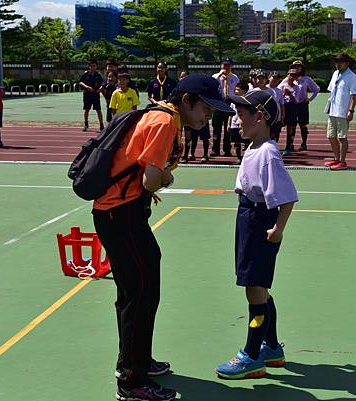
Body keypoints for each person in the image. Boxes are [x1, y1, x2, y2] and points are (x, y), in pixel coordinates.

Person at [92, 73, 233, 401]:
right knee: (139, 293)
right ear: (187, 101)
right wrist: (164, 178)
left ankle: (135, 360)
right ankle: (131, 380)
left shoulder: (161, 115)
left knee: (139, 290)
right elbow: (151, 179)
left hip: (121, 212)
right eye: (205, 110)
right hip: (120, 214)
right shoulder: (164, 122)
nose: (208, 117)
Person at [214, 89, 298, 380]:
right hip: (248, 216)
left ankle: (251, 355)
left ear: (259, 117)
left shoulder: (268, 153)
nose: (237, 121)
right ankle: (272, 347)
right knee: (258, 285)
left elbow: (287, 197)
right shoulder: (253, 147)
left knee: (254, 288)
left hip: (261, 220)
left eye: (242, 115)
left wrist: (278, 229)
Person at [325, 53, 356, 171]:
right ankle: (336, 158)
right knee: (331, 136)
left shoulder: (352, 76)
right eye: (336, 62)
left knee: (342, 137)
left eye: (340, 62)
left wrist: (351, 110)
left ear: (347, 63)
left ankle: (343, 161)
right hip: (333, 111)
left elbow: (354, 95)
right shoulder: (335, 73)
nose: (337, 64)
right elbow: (331, 90)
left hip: (342, 112)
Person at [282, 60, 320, 152]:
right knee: (291, 125)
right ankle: (290, 144)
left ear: (302, 68)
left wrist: (309, 99)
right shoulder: (288, 78)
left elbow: (316, 89)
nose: (297, 68)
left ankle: (304, 143)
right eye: (295, 66)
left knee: (303, 124)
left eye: (299, 66)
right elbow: (280, 89)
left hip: (302, 104)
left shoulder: (306, 79)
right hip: (291, 105)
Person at [211, 59, 239, 157]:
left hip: (230, 102)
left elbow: (237, 90)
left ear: (231, 67)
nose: (226, 68)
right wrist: (219, 75)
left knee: (228, 129)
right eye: (224, 65)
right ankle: (215, 150)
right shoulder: (215, 77)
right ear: (221, 66)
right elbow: (212, 86)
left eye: (228, 66)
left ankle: (227, 149)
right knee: (216, 128)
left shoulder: (235, 78)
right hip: (219, 102)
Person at [79, 60, 104, 132]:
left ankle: (101, 125)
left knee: (98, 110)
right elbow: (80, 82)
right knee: (87, 110)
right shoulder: (86, 74)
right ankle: (86, 125)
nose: (92, 67)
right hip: (87, 94)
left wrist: (100, 89)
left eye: (94, 66)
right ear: (89, 66)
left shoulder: (98, 75)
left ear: (96, 66)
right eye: (91, 66)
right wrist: (86, 87)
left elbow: (102, 84)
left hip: (95, 94)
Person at [228, 81, 250, 163]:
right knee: (236, 142)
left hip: (244, 125)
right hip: (234, 124)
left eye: (238, 90)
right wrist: (228, 124)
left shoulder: (248, 101)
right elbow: (231, 113)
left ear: (244, 91)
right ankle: (238, 157)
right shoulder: (234, 101)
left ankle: (247, 157)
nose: (236, 91)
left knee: (246, 142)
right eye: (236, 89)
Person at [268, 72, 285, 144]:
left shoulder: (279, 91)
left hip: (277, 115)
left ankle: (274, 147)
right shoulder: (264, 89)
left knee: (276, 132)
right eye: (273, 77)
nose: (275, 80)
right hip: (267, 115)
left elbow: (282, 104)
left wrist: (283, 115)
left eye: (277, 78)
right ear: (269, 78)